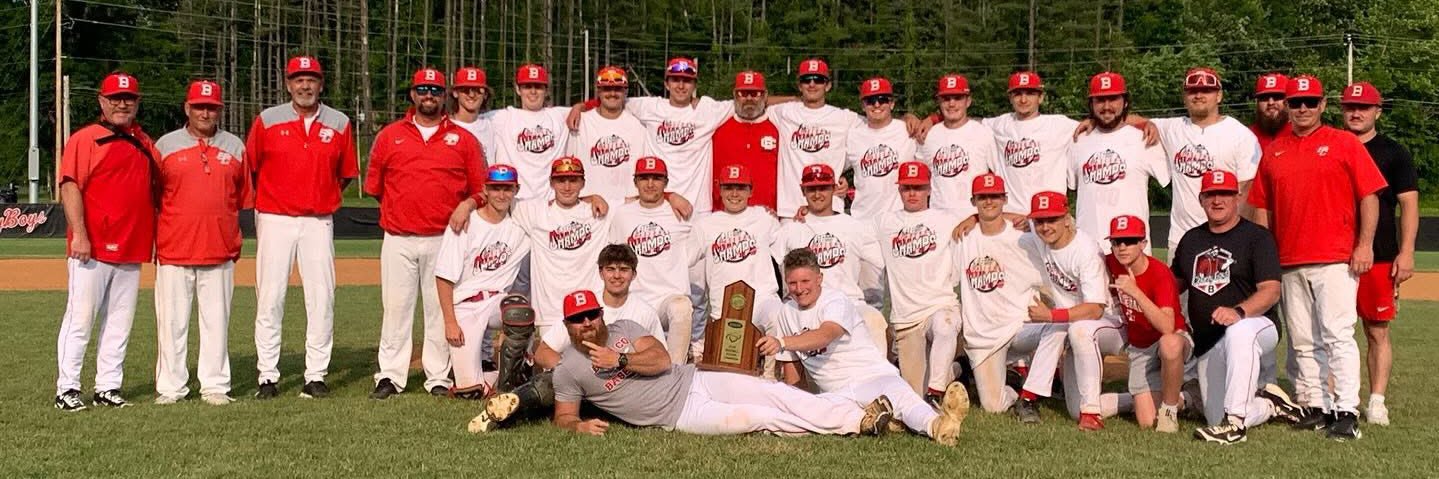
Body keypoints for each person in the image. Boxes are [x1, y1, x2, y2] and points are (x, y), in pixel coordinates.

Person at [1247, 75, 1387, 441]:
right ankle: (1314, 405)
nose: (1303, 109)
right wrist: (1266, 251)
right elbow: (1261, 206)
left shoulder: (1344, 143)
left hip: (1336, 256)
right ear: (1288, 107)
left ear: (1324, 105)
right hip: (1289, 257)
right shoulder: (1275, 149)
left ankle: (1346, 409)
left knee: (1338, 335)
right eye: (1296, 103)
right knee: (1302, 339)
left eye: (1311, 102)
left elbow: (1369, 196)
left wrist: (1365, 244)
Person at [548, 290, 893, 437]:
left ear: (600, 314)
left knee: (773, 392)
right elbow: (563, 416)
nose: (587, 323)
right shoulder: (568, 369)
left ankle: (860, 414)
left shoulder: (623, 328)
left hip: (695, 380)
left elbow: (661, 359)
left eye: (591, 315)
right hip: (678, 416)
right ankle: (857, 422)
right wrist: (577, 426)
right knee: (761, 418)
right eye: (578, 319)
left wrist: (619, 358)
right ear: (568, 325)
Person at [759, 248, 970, 445]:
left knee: (903, 399)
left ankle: (938, 426)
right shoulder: (786, 312)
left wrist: (782, 342)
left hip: (872, 377)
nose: (799, 289)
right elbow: (792, 370)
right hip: (836, 392)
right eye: (792, 283)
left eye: (805, 281)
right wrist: (798, 403)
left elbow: (825, 335)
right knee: (816, 416)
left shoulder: (835, 301)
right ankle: (882, 420)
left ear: (819, 278)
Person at [366, 67, 488, 400]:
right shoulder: (390, 135)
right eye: (423, 89)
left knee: (438, 309)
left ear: (444, 95)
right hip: (399, 236)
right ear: (412, 94)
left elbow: (482, 188)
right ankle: (390, 374)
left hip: (444, 238)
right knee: (396, 308)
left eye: (435, 90)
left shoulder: (464, 139)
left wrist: (467, 204)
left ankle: (437, 375)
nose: (429, 96)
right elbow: (375, 186)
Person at [246, 55, 360, 399]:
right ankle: (267, 375)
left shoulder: (339, 122)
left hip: (317, 220)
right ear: (288, 83)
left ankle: (316, 375)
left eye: (311, 79)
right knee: (269, 297)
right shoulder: (268, 119)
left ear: (321, 84)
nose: (305, 85)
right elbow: (251, 167)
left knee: (322, 297)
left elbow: (344, 174)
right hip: (275, 217)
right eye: (298, 79)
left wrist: (319, 195)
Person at [469, 245, 666, 433]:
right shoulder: (586, 307)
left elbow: (659, 358)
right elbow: (543, 352)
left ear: (634, 274)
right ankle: (507, 404)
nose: (616, 275)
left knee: (554, 399)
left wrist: (622, 362)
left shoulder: (644, 312)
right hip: (582, 386)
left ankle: (513, 403)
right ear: (600, 273)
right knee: (553, 381)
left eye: (624, 270)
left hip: (623, 386)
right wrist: (572, 369)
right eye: (610, 269)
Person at [1175, 169, 1304, 444]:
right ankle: (1269, 404)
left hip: (1259, 325)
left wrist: (1239, 312)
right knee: (1212, 415)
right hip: (1210, 341)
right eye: (1211, 194)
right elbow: (1174, 284)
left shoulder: (1257, 237)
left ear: (1237, 198)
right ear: (1201, 199)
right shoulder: (1191, 240)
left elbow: (1271, 291)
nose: (1217, 200)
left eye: (1225, 194)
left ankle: (1234, 425)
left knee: (1239, 331)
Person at [54, 72, 158, 411]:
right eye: (115, 98)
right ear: (101, 101)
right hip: (93, 247)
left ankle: (108, 386)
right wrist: (80, 234)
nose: (122, 103)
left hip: (131, 247)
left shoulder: (146, 142)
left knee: (119, 322)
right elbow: (70, 186)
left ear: (137, 103)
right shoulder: (86, 139)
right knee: (80, 319)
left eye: (128, 98)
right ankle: (67, 388)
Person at [152, 80, 250, 406]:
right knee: (171, 324)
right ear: (187, 108)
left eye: (211, 107)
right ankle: (171, 387)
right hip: (174, 248)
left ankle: (215, 385)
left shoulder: (235, 146)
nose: (205, 112)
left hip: (219, 248)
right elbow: (153, 197)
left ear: (219, 110)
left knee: (216, 324)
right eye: (199, 106)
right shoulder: (165, 145)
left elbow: (241, 197)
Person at [955, 174, 1066, 423]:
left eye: (994, 196)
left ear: (1005, 199)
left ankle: (1030, 396)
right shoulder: (964, 238)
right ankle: (1012, 382)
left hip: (1020, 327)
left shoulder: (1024, 239)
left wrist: (1049, 306)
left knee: (1059, 327)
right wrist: (973, 219)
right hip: (984, 337)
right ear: (973, 201)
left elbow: (1054, 277)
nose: (989, 201)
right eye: (982, 197)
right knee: (993, 406)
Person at [1340, 81, 1418, 426]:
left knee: (1376, 331)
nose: (1356, 113)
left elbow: (1409, 206)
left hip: (1382, 254)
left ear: (1377, 111)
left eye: (1364, 107)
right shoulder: (1332, 146)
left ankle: (1376, 400)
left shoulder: (1394, 153)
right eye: (1350, 107)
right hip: (1335, 254)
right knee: (1334, 332)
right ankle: (1337, 398)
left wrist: (1407, 252)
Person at [1020, 191, 1131, 430]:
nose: (1045, 226)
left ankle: (1034, 399)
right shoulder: (1043, 238)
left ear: (1067, 218)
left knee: (1075, 329)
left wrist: (1052, 315)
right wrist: (974, 219)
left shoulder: (1085, 251)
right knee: (1073, 409)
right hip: (1072, 324)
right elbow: (1007, 219)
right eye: (1039, 221)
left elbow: (1095, 309)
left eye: (1052, 219)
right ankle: (1139, 398)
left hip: (1110, 323)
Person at [434, 165, 533, 397]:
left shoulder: (520, 223)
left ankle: (511, 379)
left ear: (516, 190)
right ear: (484, 190)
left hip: (497, 301)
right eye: (495, 188)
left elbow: (560, 204)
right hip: (465, 306)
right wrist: (450, 321)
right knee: (471, 391)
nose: (501, 194)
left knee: (519, 311)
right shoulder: (465, 224)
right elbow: (443, 277)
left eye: (507, 188)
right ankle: (490, 379)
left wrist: (593, 197)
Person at [873, 162, 962, 402]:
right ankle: (951, 371)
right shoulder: (884, 222)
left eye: (919, 187)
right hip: (906, 318)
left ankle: (937, 392)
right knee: (914, 396)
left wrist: (974, 219)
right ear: (899, 190)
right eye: (907, 188)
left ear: (929, 189)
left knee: (946, 323)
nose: (913, 193)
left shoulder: (948, 219)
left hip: (939, 305)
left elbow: (984, 222)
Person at [1148, 67, 1263, 253]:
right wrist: (1094, 123)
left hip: (1226, 238)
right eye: (1192, 90)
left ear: (1219, 96)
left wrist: (1237, 237)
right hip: (1181, 238)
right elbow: (1128, 122)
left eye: (1206, 90)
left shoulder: (1240, 135)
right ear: (1184, 97)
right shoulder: (1172, 128)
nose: (1198, 95)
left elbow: (1247, 193)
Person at [775, 164, 888, 349]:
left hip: (849, 301)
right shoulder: (791, 229)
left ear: (834, 189)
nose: (817, 194)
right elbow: (772, 268)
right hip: (806, 305)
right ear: (803, 190)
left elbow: (879, 265)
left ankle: (881, 377)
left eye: (823, 187)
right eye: (811, 188)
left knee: (873, 319)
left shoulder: (855, 226)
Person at [608, 157, 702, 363]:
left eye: (657, 178)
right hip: (634, 300)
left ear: (666, 183)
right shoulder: (622, 214)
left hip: (668, 298)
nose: (650, 184)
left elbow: (701, 243)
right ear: (635, 182)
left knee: (681, 307)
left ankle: (674, 372)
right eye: (644, 178)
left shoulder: (681, 213)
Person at [1102, 215, 1188, 432]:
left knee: (1170, 343)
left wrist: (1136, 292)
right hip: (1140, 349)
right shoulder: (1111, 262)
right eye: (1116, 242)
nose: (1122, 247)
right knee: (1148, 422)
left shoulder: (1159, 273)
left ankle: (1170, 409)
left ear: (1143, 243)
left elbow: (1168, 327)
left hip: (1169, 341)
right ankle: (1183, 397)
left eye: (1130, 241)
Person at [1067, 71, 1168, 254]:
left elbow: (1173, 183)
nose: (1106, 106)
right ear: (1091, 104)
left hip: (1132, 248)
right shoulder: (1077, 141)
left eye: (1113, 99)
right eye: (1100, 100)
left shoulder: (1144, 139)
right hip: (1088, 250)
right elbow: (1069, 188)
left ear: (1125, 102)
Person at [692, 164, 784, 359]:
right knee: (731, 362)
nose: (734, 193)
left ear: (751, 191)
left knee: (779, 316)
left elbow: (785, 254)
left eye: (741, 187)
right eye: (728, 187)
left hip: (762, 299)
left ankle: (771, 376)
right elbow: (682, 260)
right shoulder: (705, 225)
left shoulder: (764, 217)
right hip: (723, 305)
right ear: (720, 190)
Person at [769, 58, 865, 217]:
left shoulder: (844, 118)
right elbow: (758, 101)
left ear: (828, 85)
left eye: (818, 80)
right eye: (806, 80)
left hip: (831, 207)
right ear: (799, 85)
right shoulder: (785, 112)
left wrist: (909, 118)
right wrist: (793, 99)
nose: (812, 84)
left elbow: (880, 124)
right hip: (792, 209)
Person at [981, 71, 1079, 215]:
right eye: (1018, 94)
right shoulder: (1000, 124)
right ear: (1010, 98)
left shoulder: (1059, 124)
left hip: (1049, 214)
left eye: (1030, 93)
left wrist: (1092, 121)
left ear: (1040, 97)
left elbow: (1098, 126)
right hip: (1011, 216)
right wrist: (935, 118)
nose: (1023, 99)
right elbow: (965, 123)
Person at [915, 74, 997, 219]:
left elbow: (997, 175)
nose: (951, 104)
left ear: (968, 101)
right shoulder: (928, 135)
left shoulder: (984, 133)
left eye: (958, 98)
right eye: (946, 99)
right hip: (938, 217)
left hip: (974, 218)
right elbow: (920, 178)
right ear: (939, 101)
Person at [488, 64, 573, 202]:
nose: (533, 91)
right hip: (515, 202)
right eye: (527, 86)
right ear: (518, 89)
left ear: (546, 90)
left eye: (538, 86)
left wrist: (579, 107)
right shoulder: (502, 117)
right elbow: (466, 120)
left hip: (550, 202)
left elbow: (596, 108)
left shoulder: (559, 116)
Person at [569, 66, 650, 205]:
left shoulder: (639, 125)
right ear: (598, 91)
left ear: (625, 91)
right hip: (590, 206)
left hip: (628, 207)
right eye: (607, 88)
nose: (612, 93)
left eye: (618, 89)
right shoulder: (581, 122)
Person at [845, 76, 917, 222]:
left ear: (892, 104)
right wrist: (840, 180)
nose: (877, 104)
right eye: (870, 100)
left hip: (899, 220)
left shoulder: (908, 131)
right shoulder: (853, 135)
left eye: (882, 99)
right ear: (863, 105)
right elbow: (834, 166)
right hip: (863, 220)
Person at [712, 70, 780, 211]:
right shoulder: (716, 127)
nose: (749, 98)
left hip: (767, 217)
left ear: (765, 95)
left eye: (755, 94)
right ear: (734, 95)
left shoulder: (779, 128)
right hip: (724, 215)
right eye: (743, 93)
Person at [449, 66, 496, 162]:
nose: (471, 95)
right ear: (455, 93)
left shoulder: (494, 124)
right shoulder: (444, 126)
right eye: (465, 90)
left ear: (485, 95)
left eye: (478, 90)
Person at [1250, 73, 1290, 150]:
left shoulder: (1300, 134)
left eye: (1277, 96)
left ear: (1288, 100)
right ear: (1257, 102)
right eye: (1264, 98)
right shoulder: (1246, 136)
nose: (1271, 103)